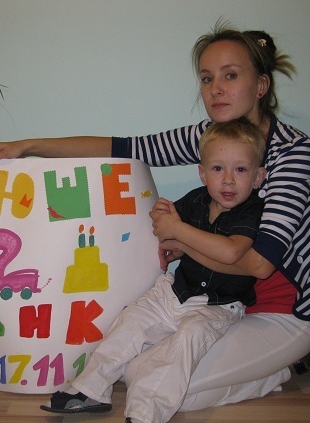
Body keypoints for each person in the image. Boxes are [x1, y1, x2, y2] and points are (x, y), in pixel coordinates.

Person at [0, 20, 310, 421]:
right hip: (215, 301)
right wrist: (28, 146)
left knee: (169, 387)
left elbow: (259, 264)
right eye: (207, 78)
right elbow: (123, 148)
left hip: (281, 312)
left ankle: (281, 367)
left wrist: (182, 239)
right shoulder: (211, 137)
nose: (215, 89)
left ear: (261, 85)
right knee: (137, 372)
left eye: (230, 75)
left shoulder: (292, 152)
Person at [39, 117, 267, 423]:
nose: (228, 180)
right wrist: (162, 213)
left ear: (258, 177)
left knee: (185, 342)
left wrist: (177, 232)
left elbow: (233, 250)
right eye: (217, 169)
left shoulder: (253, 211)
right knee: (130, 321)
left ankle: (145, 414)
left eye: (240, 170)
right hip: (174, 291)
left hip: (218, 305)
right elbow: (164, 220)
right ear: (202, 173)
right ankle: (90, 389)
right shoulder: (196, 200)